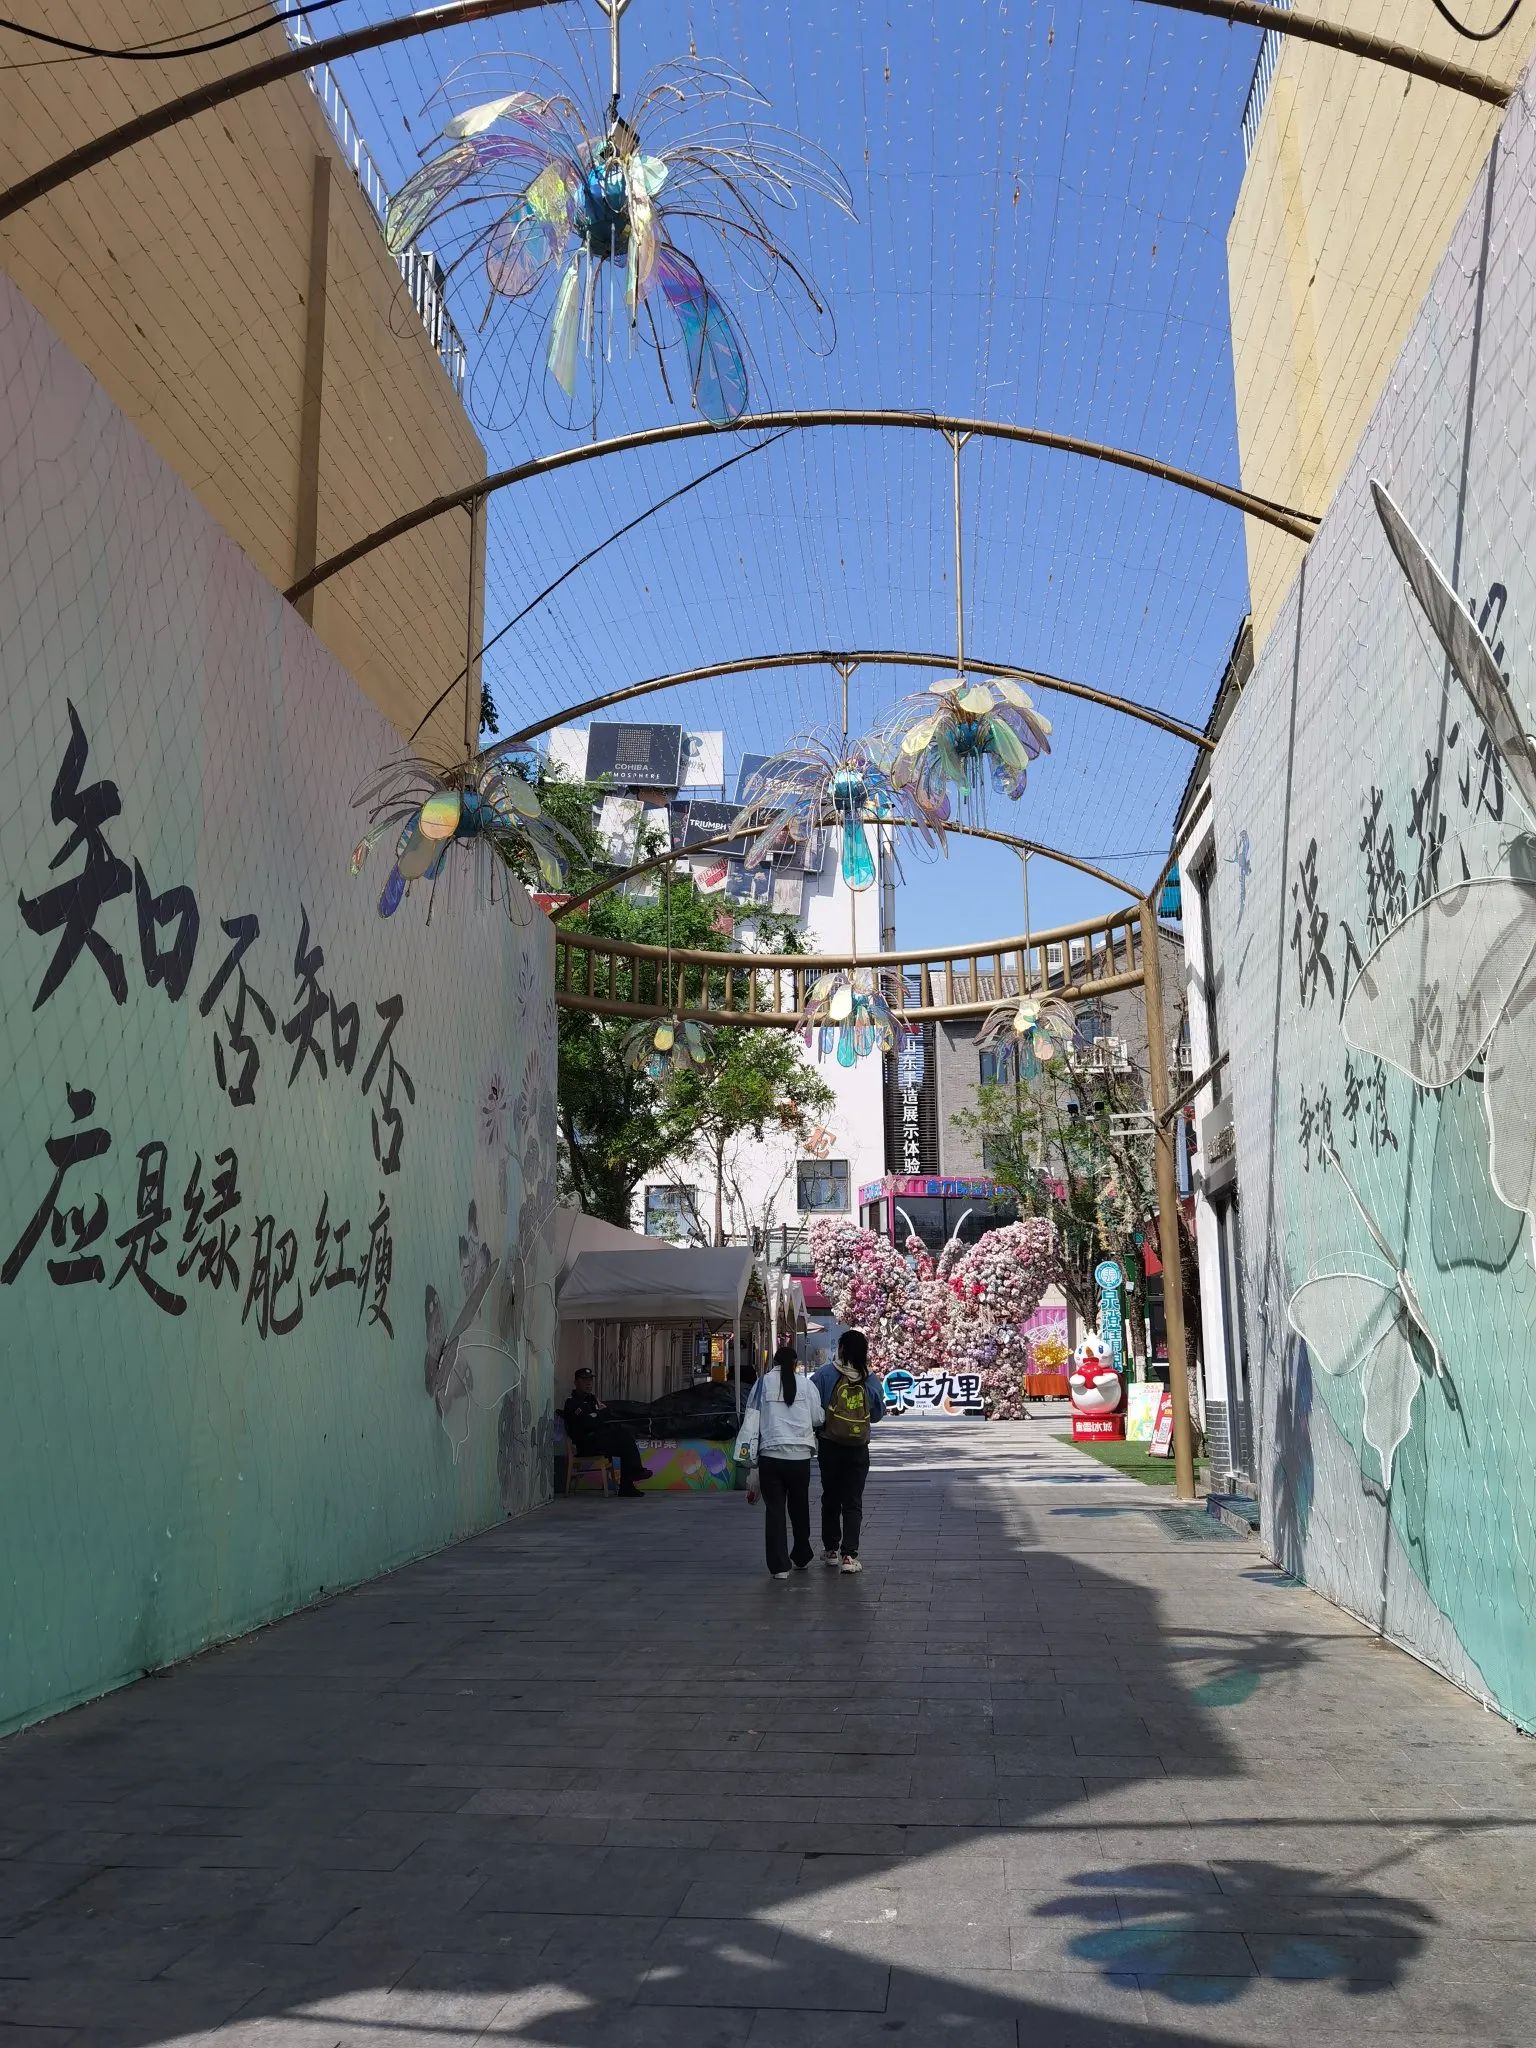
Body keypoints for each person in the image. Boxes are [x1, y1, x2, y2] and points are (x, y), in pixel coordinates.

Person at [734, 1343, 824, 1578]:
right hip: (800, 1457)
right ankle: (801, 1555)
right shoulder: (806, 1384)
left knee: (775, 1510)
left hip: (770, 1456)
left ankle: (779, 1566)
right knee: (799, 1506)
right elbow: (817, 1418)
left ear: (773, 1363)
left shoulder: (762, 1383)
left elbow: (751, 1414)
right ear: (795, 1364)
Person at [810, 1329, 885, 1574]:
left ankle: (831, 1550)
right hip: (858, 1447)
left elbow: (813, 1411)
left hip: (829, 1445)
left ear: (841, 1349)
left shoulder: (824, 1374)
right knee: (853, 1500)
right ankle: (849, 1555)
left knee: (831, 1497)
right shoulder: (870, 1379)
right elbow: (877, 1414)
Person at [561, 1367, 648, 1497]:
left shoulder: (592, 1399)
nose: (588, 1383)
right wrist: (599, 1415)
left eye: (590, 1380)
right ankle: (635, 1474)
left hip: (599, 1439)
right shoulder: (572, 1402)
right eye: (584, 1380)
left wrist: (597, 1415)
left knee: (626, 1439)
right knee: (625, 1440)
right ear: (576, 1382)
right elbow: (587, 1424)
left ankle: (627, 1486)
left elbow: (605, 1416)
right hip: (586, 1443)